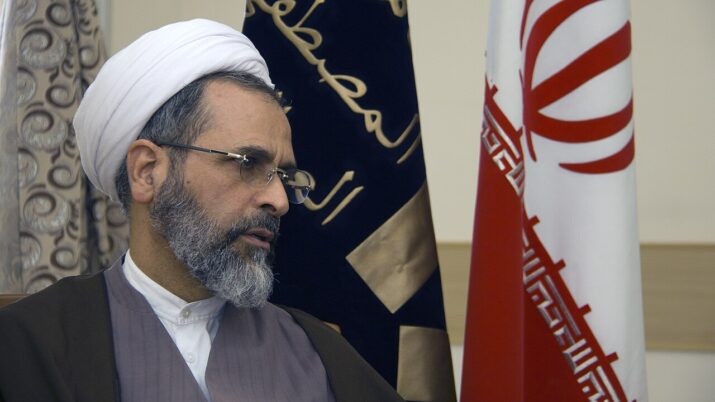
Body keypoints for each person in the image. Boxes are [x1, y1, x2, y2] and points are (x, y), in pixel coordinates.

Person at [0, 19, 403, 402]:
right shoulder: (30, 345)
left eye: (285, 176)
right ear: (147, 171)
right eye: (248, 163)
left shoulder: (316, 352)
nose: (280, 201)